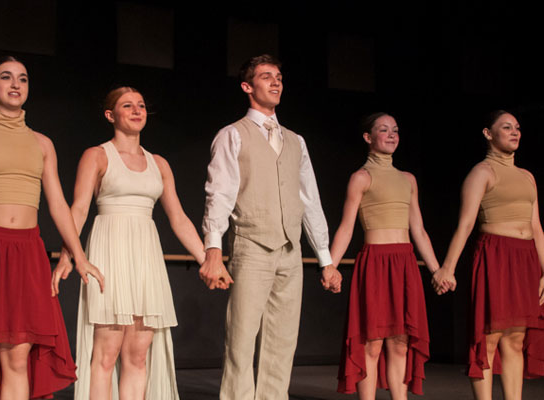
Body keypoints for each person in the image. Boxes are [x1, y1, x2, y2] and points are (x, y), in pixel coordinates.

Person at [0, 56, 100, 400]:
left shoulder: (42, 144)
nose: (15, 84)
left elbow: (58, 204)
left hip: (27, 251)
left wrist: (80, 256)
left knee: (17, 357)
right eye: (6, 77)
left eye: (22, 79)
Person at [198, 54, 342, 399]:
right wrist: (213, 249)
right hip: (252, 246)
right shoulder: (233, 135)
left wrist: (325, 259)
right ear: (247, 87)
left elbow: (309, 199)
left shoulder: (296, 141)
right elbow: (219, 193)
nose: (276, 82)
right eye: (266, 76)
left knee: (282, 342)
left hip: (290, 251)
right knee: (241, 340)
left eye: (278, 76)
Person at [51, 86, 206, 399]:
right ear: (110, 115)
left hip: (145, 258)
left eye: (141, 105)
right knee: (106, 354)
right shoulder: (97, 155)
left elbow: (178, 218)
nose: (137, 111)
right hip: (110, 252)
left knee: (138, 355)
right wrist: (69, 255)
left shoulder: (159, 163)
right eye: (127, 106)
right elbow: (78, 210)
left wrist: (208, 259)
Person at [433, 110, 544, 400]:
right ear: (488, 133)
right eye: (506, 127)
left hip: (526, 259)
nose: (514, 132)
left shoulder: (527, 177)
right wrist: (447, 268)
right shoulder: (482, 172)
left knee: (516, 339)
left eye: (517, 127)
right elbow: (466, 223)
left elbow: (537, 227)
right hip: (496, 255)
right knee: (489, 338)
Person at [330, 113, 439, 399]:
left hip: (404, 263)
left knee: (400, 343)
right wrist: (330, 266)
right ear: (368, 137)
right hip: (376, 264)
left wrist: (437, 270)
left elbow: (419, 229)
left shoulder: (408, 179)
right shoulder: (361, 178)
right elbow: (346, 227)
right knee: (372, 343)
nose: (391, 135)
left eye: (395, 130)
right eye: (384, 130)